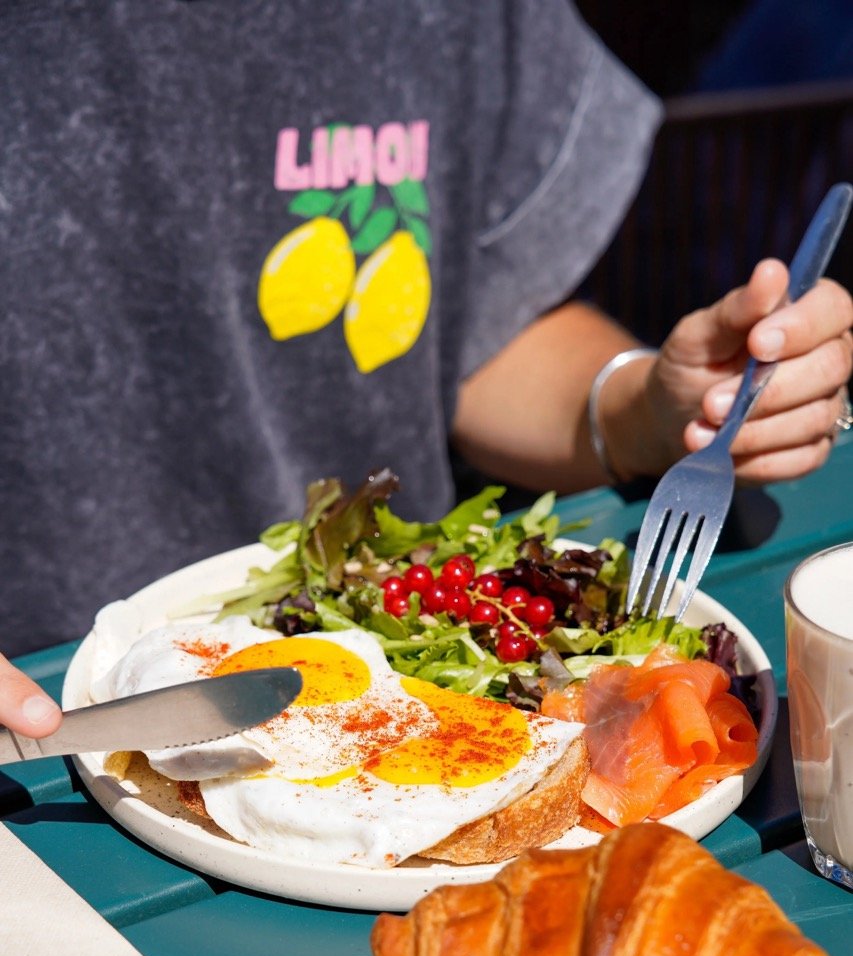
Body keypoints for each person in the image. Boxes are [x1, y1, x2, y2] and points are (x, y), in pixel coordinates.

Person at [2, 0, 851, 738]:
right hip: (38, 725)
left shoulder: (462, 18)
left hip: (400, 708)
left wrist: (650, 410)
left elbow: (476, 334)